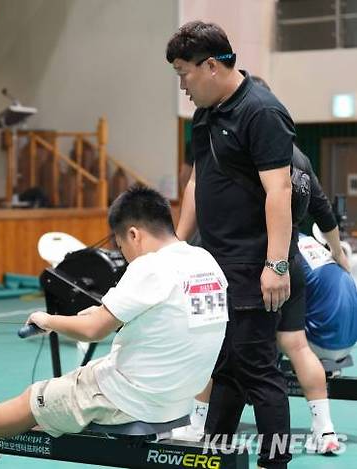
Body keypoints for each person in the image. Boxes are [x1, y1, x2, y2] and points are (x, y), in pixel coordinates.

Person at [0, 186, 228, 458]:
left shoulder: (150, 267)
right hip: (176, 399)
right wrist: (100, 315)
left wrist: (48, 320)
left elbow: (94, 330)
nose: (124, 254)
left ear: (134, 234)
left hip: (132, 400)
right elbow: (165, 319)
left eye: (121, 244)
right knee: (72, 385)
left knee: (37, 398)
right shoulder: (203, 260)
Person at [173, 76, 349, 455]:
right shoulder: (299, 158)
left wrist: (273, 265)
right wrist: (338, 255)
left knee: (244, 362)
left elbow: (266, 197)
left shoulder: (253, 146)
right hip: (289, 262)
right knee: (272, 354)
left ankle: (208, 430)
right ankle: (325, 430)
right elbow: (323, 211)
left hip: (262, 268)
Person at [167, 21, 296, 469]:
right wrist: (176, 246)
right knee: (223, 367)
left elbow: (279, 191)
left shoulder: (261, 112)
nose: (181, 84)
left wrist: (275, 266)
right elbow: (198, 181)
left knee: (259, 370)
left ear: (211, 65)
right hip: (215, 266)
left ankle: (274, 462)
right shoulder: (206, 113)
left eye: (184, 72)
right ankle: (214, 456)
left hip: (253, 265)